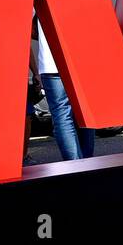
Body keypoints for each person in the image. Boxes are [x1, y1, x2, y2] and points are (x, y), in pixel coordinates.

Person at [36, 22, 95, 161]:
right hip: (82, 58)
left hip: (51, 60)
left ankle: (76, 166)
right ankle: (88, 165)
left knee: (62, 114)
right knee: (85, 112)